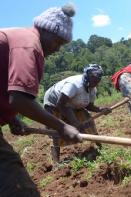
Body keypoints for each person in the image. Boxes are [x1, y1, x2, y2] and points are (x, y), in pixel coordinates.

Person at [0, 4, 81, 196]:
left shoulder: (18, 39)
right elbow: (19, 99)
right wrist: (62, 127)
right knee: (17, 187)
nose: (57, 49)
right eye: (57, 42)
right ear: (46, 31)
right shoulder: (29, 45)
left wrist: (11, 119)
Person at [43, 64, 110, 163]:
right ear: (87, 75)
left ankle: (100, 148)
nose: (96, 82)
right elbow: (61, 104)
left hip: (71, 103)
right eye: (94, 79)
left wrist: (100, 109)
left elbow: (88, 105)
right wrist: (74, 122)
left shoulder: (92, 88)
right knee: (57, 131)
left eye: (98, 80)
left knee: (89, 123)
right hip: (54, 104)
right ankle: (56, 163)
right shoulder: (74, 85)